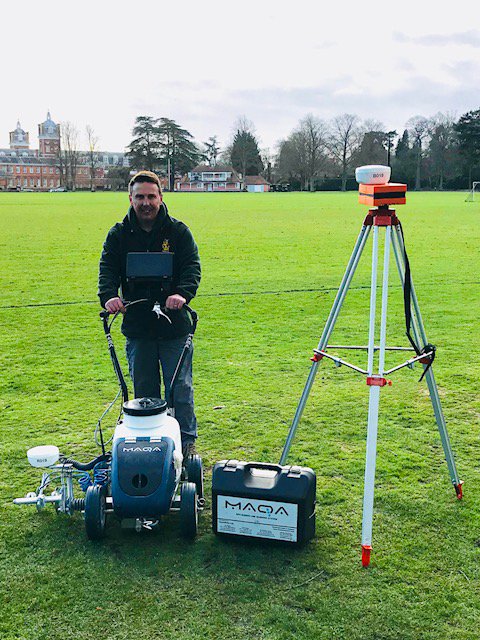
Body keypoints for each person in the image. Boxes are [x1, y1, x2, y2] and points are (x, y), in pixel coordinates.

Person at [98, 170, 201, 456]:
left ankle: (186, 441)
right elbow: (107, 270)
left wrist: (182, 293)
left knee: (178, 388)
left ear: (161, 197)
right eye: (140, 197)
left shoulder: (178, 232)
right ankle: (149, 442)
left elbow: (191, 266)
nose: (146, 202)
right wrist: (109, 297)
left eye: (151, 196)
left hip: (174, 328)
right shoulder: (118, 235)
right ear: (130, 198)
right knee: (144, 391)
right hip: (138, 328)